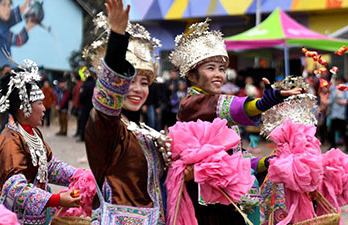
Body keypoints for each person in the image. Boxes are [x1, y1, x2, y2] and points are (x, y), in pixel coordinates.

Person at [169, 18, 302, 225]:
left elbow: (236, 160)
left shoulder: (217, 109)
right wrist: (264, 102)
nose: (218, 75)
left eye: (222, 69)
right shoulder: (192, 104)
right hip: (206, 203)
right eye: (210, 68)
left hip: (225, 199)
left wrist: (266, 163)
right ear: (192, 76)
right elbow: (231, 106)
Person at [84, 0, 166, 224]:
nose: (138, 90)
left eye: (145, 82)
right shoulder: (105, 126)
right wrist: (118, 37)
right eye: (131, 81)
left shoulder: (143, 131)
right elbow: (106, 104)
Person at [0, 60, 82, 224]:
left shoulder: (33, 132)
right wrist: (56, 199)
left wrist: (79, 176)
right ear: (25, 108)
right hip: (15, 218)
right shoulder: (10, 140)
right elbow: (16, 188)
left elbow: (49, 166)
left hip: (36, 217)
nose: (44, 108)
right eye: (39, 104)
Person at [0, 0, 36, 67]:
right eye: (4, 5)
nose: (7, 9)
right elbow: (17, 40)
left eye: (9, 5)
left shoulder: (1, 19)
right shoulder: (0, 26)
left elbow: (16, 14)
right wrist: (28, 27)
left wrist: (27, 2)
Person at [328, 76, 348, 152]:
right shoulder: (334, 89)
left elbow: (346, 99)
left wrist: (342, 101)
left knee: (343, 131)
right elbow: (331, 99)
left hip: (342, 114)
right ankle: (333, 145)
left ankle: (346, 145)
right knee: (332, 131)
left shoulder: (345, 90)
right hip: (334, 114)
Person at [0, 64, 11, 134]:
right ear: (2, 71)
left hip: (11, 103)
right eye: (6, 71)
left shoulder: (12, 81)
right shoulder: (0, 80)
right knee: (4, 121)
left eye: (9, 71)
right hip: (3, 103)